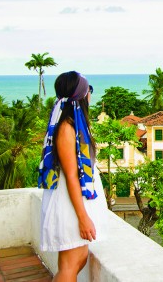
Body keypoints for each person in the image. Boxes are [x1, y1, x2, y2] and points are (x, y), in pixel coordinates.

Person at [38, 71, 107, 281]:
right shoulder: (67, 128)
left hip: (73, 202)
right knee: (70, 264)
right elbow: (71, 175)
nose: (90, 95)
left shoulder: (72, 125)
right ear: (81, 96)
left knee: (78, 259)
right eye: (89, 91)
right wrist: (83, 218)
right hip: (70, 204)